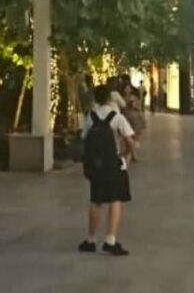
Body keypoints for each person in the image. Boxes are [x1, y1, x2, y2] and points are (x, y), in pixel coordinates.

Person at [77, 84, 135, 257]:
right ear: (110, 98)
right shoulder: (116, 117)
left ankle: (91, 239)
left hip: (96, 165)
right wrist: (125, 155)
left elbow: (84, 140)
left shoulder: (91, 117)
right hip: (114, 165)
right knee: (115, 199)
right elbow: (130, 142)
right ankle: (110, 240)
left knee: (95, 200)